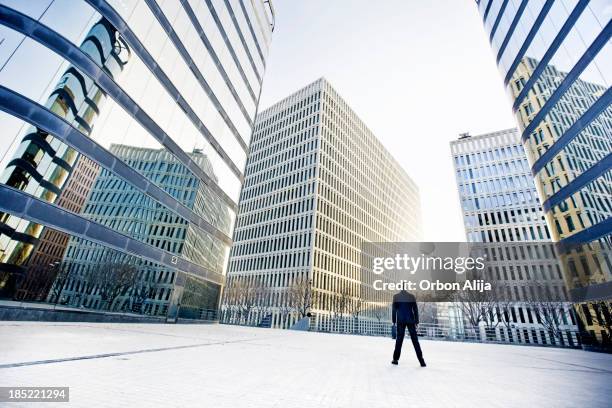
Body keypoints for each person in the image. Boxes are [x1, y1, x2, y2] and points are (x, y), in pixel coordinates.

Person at [391, 289, 426, 367]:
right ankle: (421, 361)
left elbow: (394, 310)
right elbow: (415, 309)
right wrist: (416, 321)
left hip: (400, 320)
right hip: (411, 320)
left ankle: (395, 359)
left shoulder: (396, 297)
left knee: (399, 341)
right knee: (415, 341)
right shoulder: (411, 296)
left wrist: (394, 321)